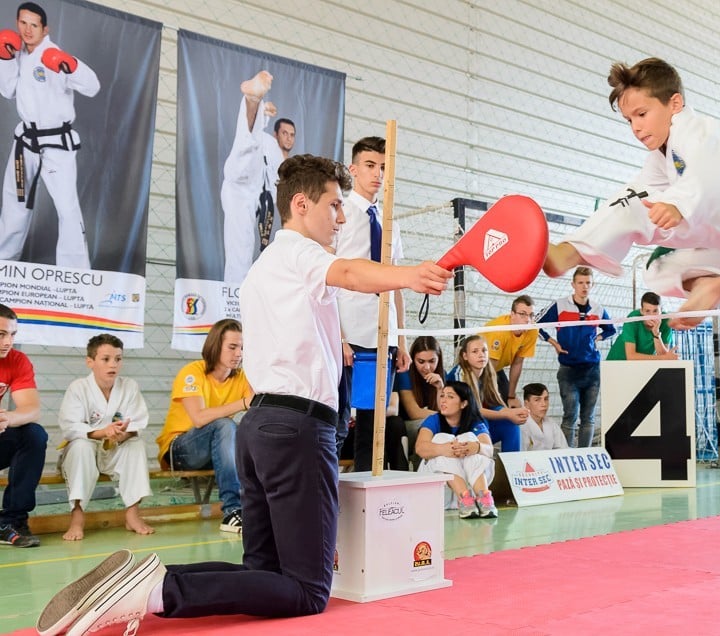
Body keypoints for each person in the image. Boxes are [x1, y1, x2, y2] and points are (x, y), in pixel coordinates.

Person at [38, 154, 450, 633]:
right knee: (307, 591)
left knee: (265, 575)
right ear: (301, 204)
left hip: (258, 427)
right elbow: (353, 275)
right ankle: (158, 592)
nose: (341, 218)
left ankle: (147, 580)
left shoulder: (264, 266)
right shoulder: (302, 253)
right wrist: (408, 276)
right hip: (296, 429)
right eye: (335, 206)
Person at [542, 58, 720, 330]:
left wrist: (678, 204)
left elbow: (709, 174)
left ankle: (568, 253)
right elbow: (631, 196)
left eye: (641, 114)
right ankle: (706, 284)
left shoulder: (697, 127)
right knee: (655, 269)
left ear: (674, 104)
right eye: (628, 120)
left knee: (640, 206)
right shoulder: (661, 158)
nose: (635, 128)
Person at [0, 2, 100, 268]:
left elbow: (93, 87)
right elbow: (8, 91)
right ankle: (3, 264)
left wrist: (70, 65)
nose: (28, 30)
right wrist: (5, 59)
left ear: (46, 29)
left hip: (56, 143)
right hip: (25, 142)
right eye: (23, 23)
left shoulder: (53, 54)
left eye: (34, 25)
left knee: (67, 209)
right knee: (14, 204)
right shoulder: (17, 52)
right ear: (17, 22)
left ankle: (76, 274)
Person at [335, 136, 410, 471]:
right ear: (353, 169)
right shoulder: (340, 214)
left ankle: (365, 496)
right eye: (370, 165)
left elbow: (396, 283)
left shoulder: (388, 218)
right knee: (337, 421)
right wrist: (337, 335)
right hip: (349, 332)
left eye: (384, 167)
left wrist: (401, 338)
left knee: (373, 423)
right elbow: (328, 277)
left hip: (384, 335)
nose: (378, 173)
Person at [155, 318, 251, 534]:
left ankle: (254, 507)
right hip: (180, 451)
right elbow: (198, 418)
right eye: (233, 347)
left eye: (243, 348)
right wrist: (244, 403)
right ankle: (232, 511)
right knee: (225, 425)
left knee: (249, 428)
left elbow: (256, 407)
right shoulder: (192, 372)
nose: (239, 354)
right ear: (216, 345)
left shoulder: (242, 378)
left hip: (217, 448)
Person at [58, 334, 153, 541]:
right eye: (106, 359)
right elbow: (70, 427)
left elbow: (138, 421)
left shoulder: (129, 386)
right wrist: (103, 432)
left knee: (136, 444)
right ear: (90, 362)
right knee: (81, 446)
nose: (113, 365)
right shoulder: (78, 388)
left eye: (118, 359)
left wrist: (122, 434)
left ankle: (132, 513)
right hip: (83, 452)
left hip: (114, 449)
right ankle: (77, 516)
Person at [221, 70, 296, 283]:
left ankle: (237, 304)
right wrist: (260, 109)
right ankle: (252, 100)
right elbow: (249, 140)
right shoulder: (267, 141)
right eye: (284, 133)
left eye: (292, 135)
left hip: (257, 197)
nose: (288, 138)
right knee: (248, 145)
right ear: (276, 134)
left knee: (242, 251)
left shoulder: (286, 164)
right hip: (241, 183)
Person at [538, 266, 616, 448]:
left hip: (592, 369)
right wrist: (553, 342)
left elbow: (611, 329)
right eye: (580, 283)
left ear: (592, 285)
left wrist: (599, 337)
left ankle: (585, 455)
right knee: (570, 415)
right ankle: (567, 456)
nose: (584, 286)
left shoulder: (598, 308)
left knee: (588, 417)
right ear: (573, 284)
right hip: (568, 370)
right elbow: (536, 324)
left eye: (588, 283)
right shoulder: (559, 305)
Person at [415, 381, 497, 518]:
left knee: (471, 441)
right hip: (437, 493)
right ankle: (465, 498)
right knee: (442, 438)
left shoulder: (475, 422)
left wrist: (474, 447)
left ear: (463, 403)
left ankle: (484, 499)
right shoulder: (434, 419)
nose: (443, 400)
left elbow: (489, 450)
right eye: (442, 396)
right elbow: (420, 448)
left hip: (469, 486)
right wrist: (445, 449)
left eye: (450, 397)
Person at [0, 303, 45, 548]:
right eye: (1, 334)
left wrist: (8, 419)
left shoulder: (17, 360)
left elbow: (31, 409)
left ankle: (13, 521)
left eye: (12, 334)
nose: (8, 342)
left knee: (33, 435)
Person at [447, 335, 527, 453]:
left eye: (484, 350)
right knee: (482, 422)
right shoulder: (459, 374)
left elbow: (494, 404)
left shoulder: (488, 372)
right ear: (465, 356)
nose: (481, 355)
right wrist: (507, 414)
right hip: (457, 429)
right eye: (475, 351)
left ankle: (509, 468)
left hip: (477, 426)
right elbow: (473, 410)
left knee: (511, 426)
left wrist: (513, 413)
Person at [396, 335, 445, 469]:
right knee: (427, 425)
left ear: (439, 359)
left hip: (433, 423)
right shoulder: (405, 374)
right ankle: (422, 471)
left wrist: (440, 388)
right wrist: (442, 418)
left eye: (432, 361)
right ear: (412, 359)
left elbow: (445, 410)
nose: (427, 367)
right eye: (421, 361)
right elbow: (414, 412)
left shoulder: (441, 376)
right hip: (408, 426)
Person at [482, 294, 539, 407]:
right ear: (512, 314)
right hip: (477, 367)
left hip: (496, 367)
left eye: (531, 315)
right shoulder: (499, 331)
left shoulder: (532, 330)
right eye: (522, 314)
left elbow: (517, 362)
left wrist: (511, 396)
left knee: (507, 403)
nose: (527, 319)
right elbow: (489, 368)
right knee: (485, 403)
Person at [339, 391, 409, 471]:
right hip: (345, 435)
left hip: (368, 426)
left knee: (395, 423)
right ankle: (382, 474)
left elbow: (394, 409)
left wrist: (363, 414)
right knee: (372, 428)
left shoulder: (379, 380)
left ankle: (398, 473)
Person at [607, 291, 678, 360]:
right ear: (642, 311)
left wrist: (656, 334)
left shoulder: (666, 321)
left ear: (661, 311)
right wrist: (661, 358)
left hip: (642, 363)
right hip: (618, 360)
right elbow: (631, 356)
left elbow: (663, 356)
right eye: (647, 311)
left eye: (655, 311)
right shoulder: (633, 318)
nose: (652, 316)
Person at [520, 383, 567, 451]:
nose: (544, 404)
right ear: (526, 404)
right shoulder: (521, 425)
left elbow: (562, 448)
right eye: (537, 400)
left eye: (546, 399)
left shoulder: (552, 424)